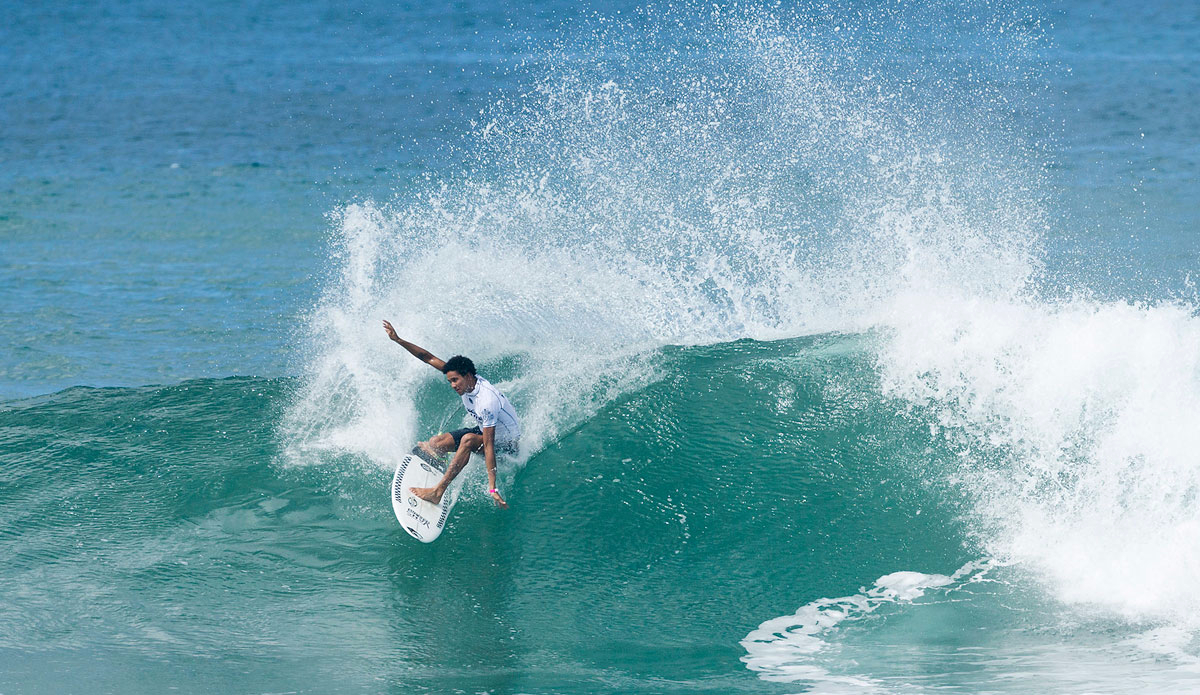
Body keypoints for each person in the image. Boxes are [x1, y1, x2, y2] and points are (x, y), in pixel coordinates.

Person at [383, 319, 520, 509]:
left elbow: (488, 445)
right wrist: (398, 340)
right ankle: (447, 461)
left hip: (506, 446)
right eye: (450, 381)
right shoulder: (466, 381)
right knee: (434, 444)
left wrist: (492, 487)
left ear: (469, 376)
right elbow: (427, 357)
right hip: (482, 431)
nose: (453, 385)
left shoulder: (486, 401)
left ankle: (437, 492)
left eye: (456, 380)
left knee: (468, 440)